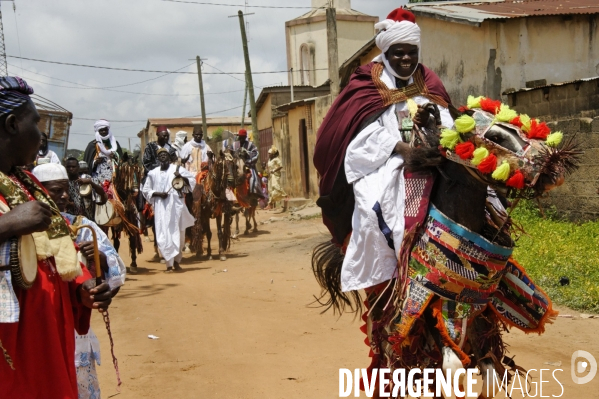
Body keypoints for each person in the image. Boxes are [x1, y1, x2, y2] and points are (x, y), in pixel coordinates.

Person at [314, 8, 453, 292]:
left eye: (411, 52)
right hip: (385, 161)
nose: (405, 59)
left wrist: (439, 131)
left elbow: (447, 116)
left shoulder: (428, 81)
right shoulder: (367, 82)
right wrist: (401, 149)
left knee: (482, 196)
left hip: (433, 157)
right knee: (372, 206)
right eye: (398, 53)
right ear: (387, 54)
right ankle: (389, 279)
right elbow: (359, 135)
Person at [0, 76, 113, 398]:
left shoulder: (25, 183)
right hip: (12, 344)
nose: (42, 135)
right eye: (35, 124)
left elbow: (56, 252)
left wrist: (83, 288)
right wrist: (7, 225)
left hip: (47, 332)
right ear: (11, 125)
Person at [32, 163, 126, 399]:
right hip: (37, 326)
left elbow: (116, 274)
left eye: (66, 189)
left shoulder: (82, 227)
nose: (64, 196)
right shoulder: (24, 231)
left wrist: (99, 257)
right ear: (37, 192)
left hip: (75, 331)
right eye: (56, 190)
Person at [142, 148, 196, 272]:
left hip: (176, 207)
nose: (163, 157)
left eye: (165, 155)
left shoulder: (177, 169)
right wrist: (158, 194)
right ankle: (169, 264)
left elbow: (191, 182)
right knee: (163, 235)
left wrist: (182, 177)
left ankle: (176, 262)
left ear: (169, 157)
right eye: (160, 155)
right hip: (161, 208)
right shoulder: (153, 173)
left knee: (179, 235)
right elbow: (146, 190)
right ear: (157, 158)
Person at [83, 120, 123, 188]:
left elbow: (122, 160)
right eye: (101, 130)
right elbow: (86, 164)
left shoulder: (115, 144)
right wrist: (95, 162)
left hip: (114, 178)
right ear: (98, 131)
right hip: (97, 179)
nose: (104, 132)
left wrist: (115, 157)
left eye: (105, 130)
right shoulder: (92, 145)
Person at [237, 129, 263, 199]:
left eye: (243, 137)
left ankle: (254, 194)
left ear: (245, 137)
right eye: (240, 137)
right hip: (236, 166)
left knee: (253, 178)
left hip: (248, 166)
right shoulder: (235, 144)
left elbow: (256, 154)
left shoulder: (251, 145)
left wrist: (247, 153)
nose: (241, 139)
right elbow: (230, 153)